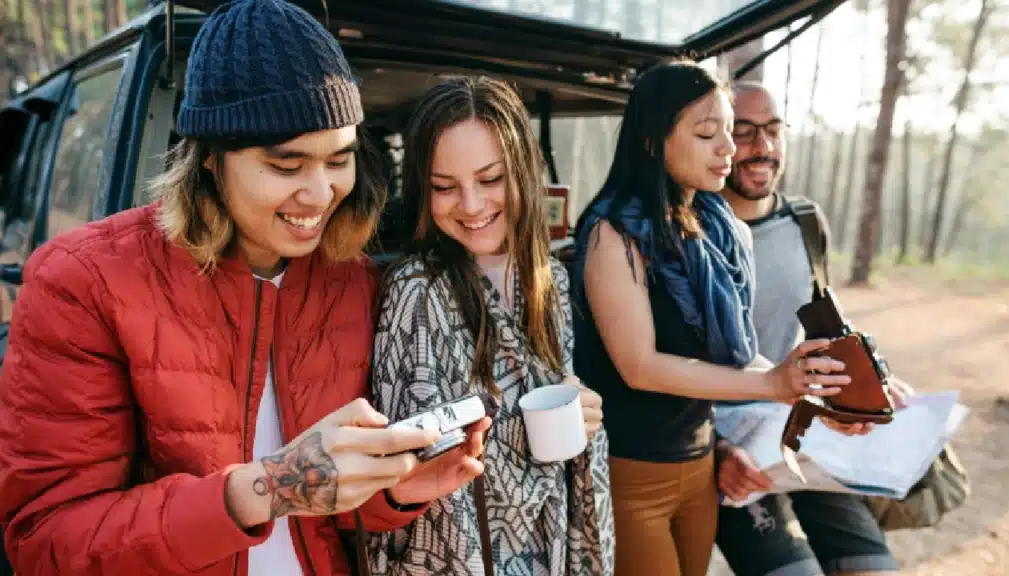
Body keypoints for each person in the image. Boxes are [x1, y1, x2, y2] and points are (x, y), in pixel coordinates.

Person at [0, 1, 489, 574]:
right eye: (286, 166)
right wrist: (266, 488)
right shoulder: (84, 281)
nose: (320, 194)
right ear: (210, 158)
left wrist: (398, 491)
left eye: (339, 160)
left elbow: (330, 514)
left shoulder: (349, 279)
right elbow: (47, 542)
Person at [570, 59, 851, 576]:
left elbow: (738, 358)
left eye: (728, 130)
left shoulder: (717, 230)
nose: (728, 147)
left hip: (698, 465)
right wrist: (771, 384)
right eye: (708, 133)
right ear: (654, 141)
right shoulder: (613, 234)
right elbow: (641, 366)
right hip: (632, 471)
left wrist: (811, 388)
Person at [368, 76, 614, 576]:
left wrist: (584, 416)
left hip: (550, 550)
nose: (472, 204)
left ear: (523, 169)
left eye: (490, 178)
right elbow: (410, 465)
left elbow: (557, 421)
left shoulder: (550, 281)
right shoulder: (416, 291)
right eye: (444, 186)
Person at [714, 81, 913, 576]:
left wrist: (871, 380)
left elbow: (825, 325)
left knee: (875, 570)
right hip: (728, 453)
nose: (763, 148)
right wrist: (714, 449)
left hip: (807, 438)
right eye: (744, 132)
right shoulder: (692, 234)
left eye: (773, 131)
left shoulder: (804, 221)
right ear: (715, 140)